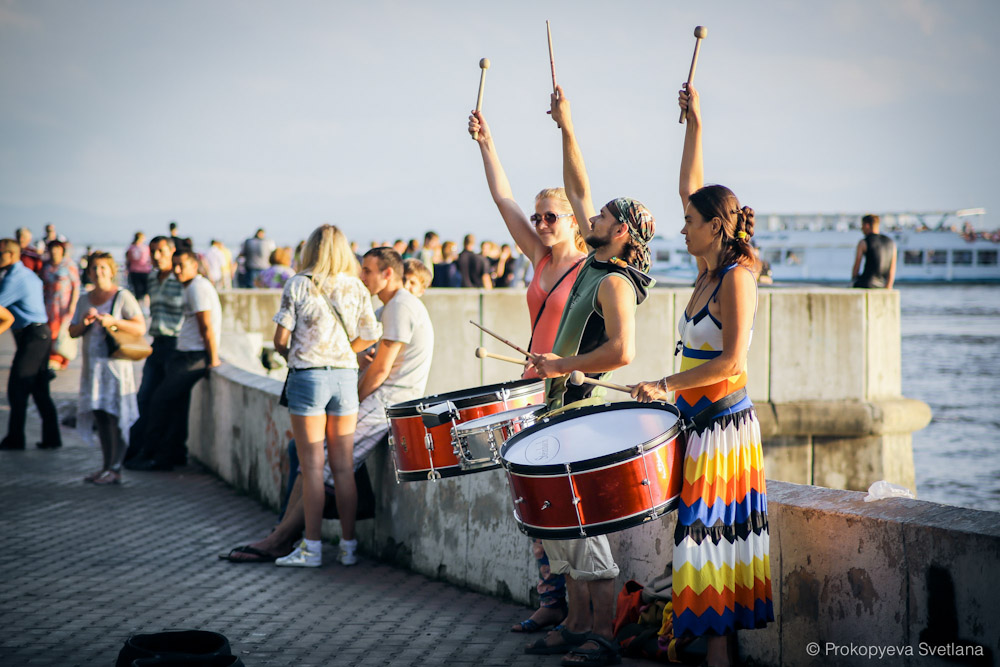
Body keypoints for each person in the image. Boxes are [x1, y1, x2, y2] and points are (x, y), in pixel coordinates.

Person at [630, 83, 774, 667]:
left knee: (710, 554)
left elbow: (732, 363)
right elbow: (690, 186)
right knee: (701, 556)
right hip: (698, 428)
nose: (680, 227)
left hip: (724, 432)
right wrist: (694, 123)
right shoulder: (705, 267)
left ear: (716, 226)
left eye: (690, 222)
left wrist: (664, 385)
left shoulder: (737, 276)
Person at [524, 85, 655, 667]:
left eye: (601, 217)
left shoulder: (613, 281)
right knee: (562, 535)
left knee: (585, 529)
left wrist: (562, 366)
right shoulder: (594, 262)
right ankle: (577, 625)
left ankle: (603, 636)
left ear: (621, 231)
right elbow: (578, 185)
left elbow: (623, 352)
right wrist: (567, 126)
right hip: (556, 407)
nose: (589, 216)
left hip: (576, 408)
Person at [221, 247, 432, 565]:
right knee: (312, 463)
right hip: (384, 400)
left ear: (388, 274)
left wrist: (353, 401)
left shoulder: (400, 306)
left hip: (387, 402)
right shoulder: (394, 307)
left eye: (368, 271)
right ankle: (289, 536)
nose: (362, 277)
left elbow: (380, 370)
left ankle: (282, 540)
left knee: (320, 467)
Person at [468, 106, 592, 633]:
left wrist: (567, 127)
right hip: (529, 388)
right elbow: (503, 198)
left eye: (550, 217)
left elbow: (581, 189)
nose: (540, 223)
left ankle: (574, 603)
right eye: (537, 217)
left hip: (570, 389)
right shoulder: (537, 256)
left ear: (572, 222)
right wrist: (486, 142)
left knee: (566, 497)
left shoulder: (592, 265)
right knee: (530, 495)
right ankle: (550, 595)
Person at [271, 225, 381, 568]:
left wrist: (296, 352)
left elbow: (279, 338)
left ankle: (312, 548)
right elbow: (371, 334)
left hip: (308, 377)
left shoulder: (299, 283)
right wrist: (346, 351)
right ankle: (349, 548)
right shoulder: (355, 285)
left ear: (312, 249)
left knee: (313, 468)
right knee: (344, 468)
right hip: (346, 378)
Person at [127, 249, 222, 470]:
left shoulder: (197, 287)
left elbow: (206, 326)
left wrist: (213, 359)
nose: (177, 270)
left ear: (194, 266)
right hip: (184, 353)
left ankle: (155, 456)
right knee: (176, 406)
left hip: (193, 356)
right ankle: (174, 454)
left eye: (182, 266)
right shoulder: (190, 286)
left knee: (160, 402)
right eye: (175, 265)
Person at [67, 252, 145, 484]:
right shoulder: (84, 299)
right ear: (88, 272)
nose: (98, 272)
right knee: (100, 415)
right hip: (93, 368)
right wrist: (86, 322)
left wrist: (112, 321)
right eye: (94, 268)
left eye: (103, 267)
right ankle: (105, 466)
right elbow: (72, 331)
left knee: (116, 415)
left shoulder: (123, 296)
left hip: (116, 367)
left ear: (112, 271)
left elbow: (139, 327)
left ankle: (116, 467)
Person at [125, 236, 185, 460]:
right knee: (144, 397)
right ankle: (137, 448)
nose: (156, 256)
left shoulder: (181, 280)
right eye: (153, 252)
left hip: (176, 345)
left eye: (161, 251)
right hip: (157, 343)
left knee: (166, 402)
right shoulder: (151, 277)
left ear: (171, 251)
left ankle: (164, 452)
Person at [0, 239, 62, 450]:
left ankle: (15, 439)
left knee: (18, 387)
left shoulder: (14, 277)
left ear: (11, 255)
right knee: (38, 388)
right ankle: (52, 439)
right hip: (38, 334)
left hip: (33, 335)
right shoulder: (23, 273)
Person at [41, 241, 81, 370]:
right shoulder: (46, 266)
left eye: (57, 249)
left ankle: (61, 358)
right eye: (52, 249)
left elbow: (76, 287)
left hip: (64, 305)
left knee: (62, 333)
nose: (54, 252)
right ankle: (53, 357)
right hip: (49, 305)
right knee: (50, 331)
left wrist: (73, 305)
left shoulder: (69, 265)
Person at [852, 214, 897, 289]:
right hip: (882, 284)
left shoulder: (863, 242)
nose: (861, 229)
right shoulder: (891, 243)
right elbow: (892, 268)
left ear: (867, 225)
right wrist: (888, 287)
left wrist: (853, 281)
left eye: (862, 226)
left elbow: (857, 266)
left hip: (866, 284)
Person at [126, 232, 152, 303]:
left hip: (134, 271)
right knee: (146, 290)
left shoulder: (131, 248)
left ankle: (139, 305)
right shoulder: (145, 248)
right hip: (145, 271)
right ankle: (145, 305)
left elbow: (128, 260)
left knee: (137, 290)